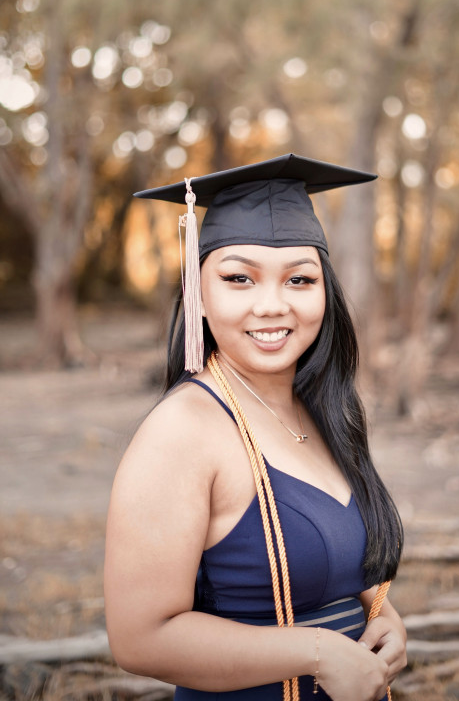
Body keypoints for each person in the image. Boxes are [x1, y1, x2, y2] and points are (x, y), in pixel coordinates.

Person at [104, 154, 406, 701]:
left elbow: (321, 548)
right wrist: (318, 651)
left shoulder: (320, 410)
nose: (272, 305)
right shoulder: (183, 433)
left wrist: (379, 611)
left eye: (300, 279)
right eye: (238, 278)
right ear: (198, 291)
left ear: (325, 293)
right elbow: (139, 639)